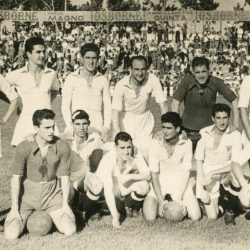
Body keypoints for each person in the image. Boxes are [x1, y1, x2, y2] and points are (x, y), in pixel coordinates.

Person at [4, 109, 76, 239]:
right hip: (28, 195)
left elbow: (65, 177)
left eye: (53, 126)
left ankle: (51, 217)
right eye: (47, 127)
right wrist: (14, 209)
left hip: (52, 194)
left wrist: (65, 205)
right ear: (36, 128)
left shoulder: (62, 146)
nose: (51, 131)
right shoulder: (24, 147)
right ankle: (30, 217)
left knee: (70, 230)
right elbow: (15, 179)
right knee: (10, 235)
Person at [143, 112, 201, 222]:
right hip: (161, 181)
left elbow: (186, 172)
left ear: (178, 129)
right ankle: (153, 203)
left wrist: (180, 199)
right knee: (150, 218)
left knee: (196, 216)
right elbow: (154, 175)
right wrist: (160, 201)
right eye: (163, 127)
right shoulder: (155, 143)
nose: (165, 131)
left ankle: (177, 201)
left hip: (179, 181)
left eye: (169, 128)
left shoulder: (187, 142)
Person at [172, 57, 239, 151]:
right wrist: (178, 128)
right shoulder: (186, 81)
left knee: (209, 162)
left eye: (204, 71)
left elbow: (234, 99)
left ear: (209, 70)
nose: (201, 76)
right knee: (187, 162)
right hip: (188, 132)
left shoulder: (216, 81)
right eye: (197, 72)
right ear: (192, 71)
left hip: (210, 132)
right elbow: (175, 104)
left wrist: (235, 123)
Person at [5, 37, 59, 146]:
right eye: (38, 52)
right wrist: (16, 100)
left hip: (47, 124)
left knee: (50, 160)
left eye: (43, 51)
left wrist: (45, 105)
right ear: (29, 54)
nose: (43, 55)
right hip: (26, 124)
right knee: (24, 161)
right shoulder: (17, 75)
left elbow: (54, 90)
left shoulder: (51, 74)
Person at [112, 56, 168, 159]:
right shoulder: (121, 85)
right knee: (125, 156)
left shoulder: (152, 79)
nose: (140, 73)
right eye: (136, 69)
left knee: (146, 156)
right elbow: (115, 113)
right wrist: (119, 135)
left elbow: (163, 105)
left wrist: (163, 129)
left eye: (143, 69)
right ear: (130, 69)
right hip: (125, 121)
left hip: (145, 121)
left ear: (147, 68)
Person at [195, 104, 242, 222]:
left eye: (225, 118)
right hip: (206, 172)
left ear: (229, 118)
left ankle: (230, 210)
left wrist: (212, 172)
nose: (222, 122)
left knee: (236, 177)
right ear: (212, 118)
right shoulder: (204, 133)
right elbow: (199, 161)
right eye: (218, 118)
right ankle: (226, 199)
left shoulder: (235, 135)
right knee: (213, 216)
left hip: (225, 171)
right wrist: (203, 187)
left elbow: (235, 163)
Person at [96, 132, 151, 228]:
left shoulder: (135, 152)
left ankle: (127, 205)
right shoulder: (108, 159)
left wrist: (130, 176)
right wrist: (115, 218)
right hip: (103, 190)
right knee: (100, 188)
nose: (126, 151)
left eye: (128, 147)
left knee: (145, 186)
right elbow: (108, 189)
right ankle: (99, 208)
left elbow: (147, 175)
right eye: (122, 148)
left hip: (118, 186)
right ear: (115, 147)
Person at [59, 110, 104, 223]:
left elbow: (111, 145)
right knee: (66, 198)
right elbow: (44, 140)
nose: (81, 128)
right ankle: (73, 203)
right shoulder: (62, 138)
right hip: (65, 178)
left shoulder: (95, 138)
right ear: (71, 124)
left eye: (84, 124)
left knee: (97, 184)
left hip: (82, 177)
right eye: (77, 124)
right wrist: (30, 135)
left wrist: (133, 148)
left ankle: (82, 211)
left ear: (89, 123)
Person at [62, 43, 111, 142]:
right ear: (81, 59)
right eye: (88, 57)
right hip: (77, 123)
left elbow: (108, 106)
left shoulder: (103, 79)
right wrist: (70, 125)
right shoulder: (71, 78)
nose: (91, 61)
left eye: (94, 58)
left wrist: (106, 127)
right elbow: (65, 105)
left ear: (98, 59)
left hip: (97, 125)